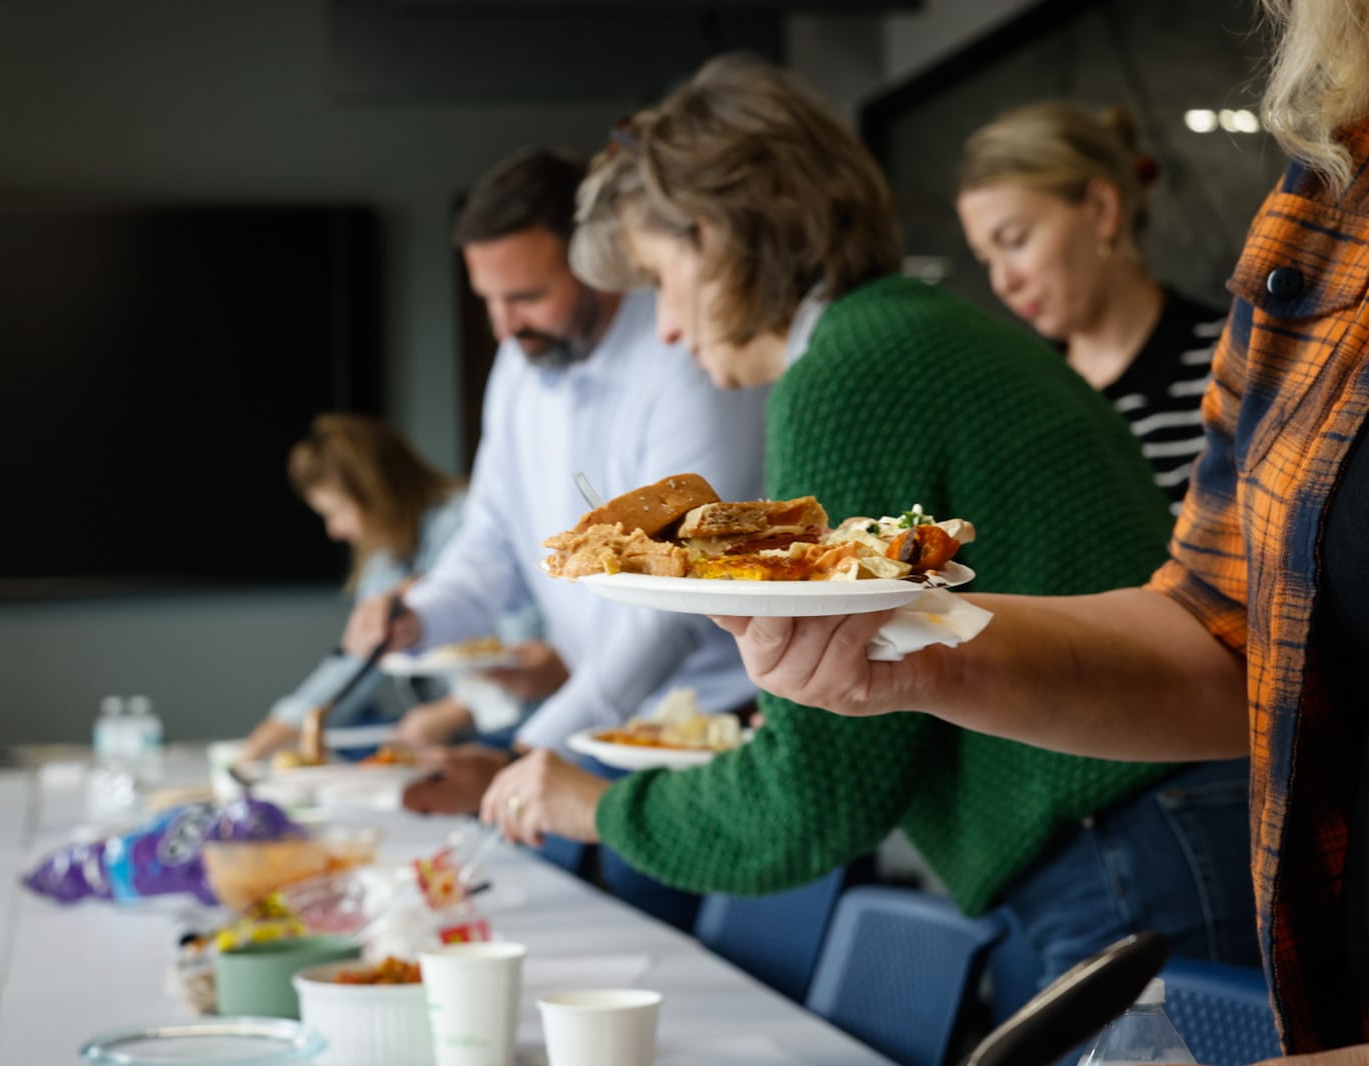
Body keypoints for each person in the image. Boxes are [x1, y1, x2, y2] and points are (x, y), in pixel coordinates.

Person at [477, 55, 1260, 997]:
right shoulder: (907, 330)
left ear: (726, 238)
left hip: (1131, 846)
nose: (670, 330)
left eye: (660, 280)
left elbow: (818, 794)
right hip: (1157, 827)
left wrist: (595, 807)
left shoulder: (845, 373)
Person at [710, 0, 1369, 1054]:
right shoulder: (1317, 221)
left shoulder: (862, 365)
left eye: (1014, 238)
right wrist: (917, 650)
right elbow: (1222, 631)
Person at [345, 147, 769, 927]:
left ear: (598, 261)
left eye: (528, 295)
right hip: (586, 726)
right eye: (489, 300)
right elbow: (492, 544)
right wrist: (421, 616)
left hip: (703, 738)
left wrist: (526, 750)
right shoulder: (518, 365)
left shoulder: (684, 360)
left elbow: (674, 604)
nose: (506, 326)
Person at [956, 101, 1224, 512]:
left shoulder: (1237, 366)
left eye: (1014, 241)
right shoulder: (1023, 398)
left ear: (1102, 209)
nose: (1003, 282)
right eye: (987, 259)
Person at [239, 412, 470, 762]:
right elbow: (355, 662)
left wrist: (456, 712)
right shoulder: (387, 557)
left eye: (338, 512)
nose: (334, 531)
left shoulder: (468, 525)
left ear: (378, 493)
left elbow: (527, 646)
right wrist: (269, 737)